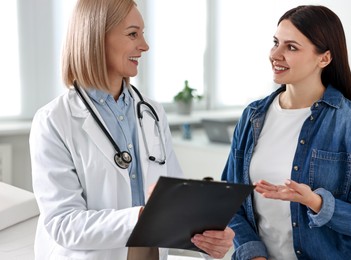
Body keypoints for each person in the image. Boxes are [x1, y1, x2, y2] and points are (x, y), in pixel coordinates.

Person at [29, 0, 234, 259]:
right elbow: (64, 223)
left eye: (143, 33)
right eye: (132, 34)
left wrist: (209, 236)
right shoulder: (53, 120)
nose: (145, 46)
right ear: (96, 38)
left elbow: (176, 198)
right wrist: (140, 216)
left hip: (151, 252)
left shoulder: (153, 112)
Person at [222, 5, 351, 260]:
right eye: (276, 42)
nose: (275, 54)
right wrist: (254, 255)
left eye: (291, 47)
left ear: (324, 58)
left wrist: (316, 203)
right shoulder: (253, 117)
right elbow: (229, 200)